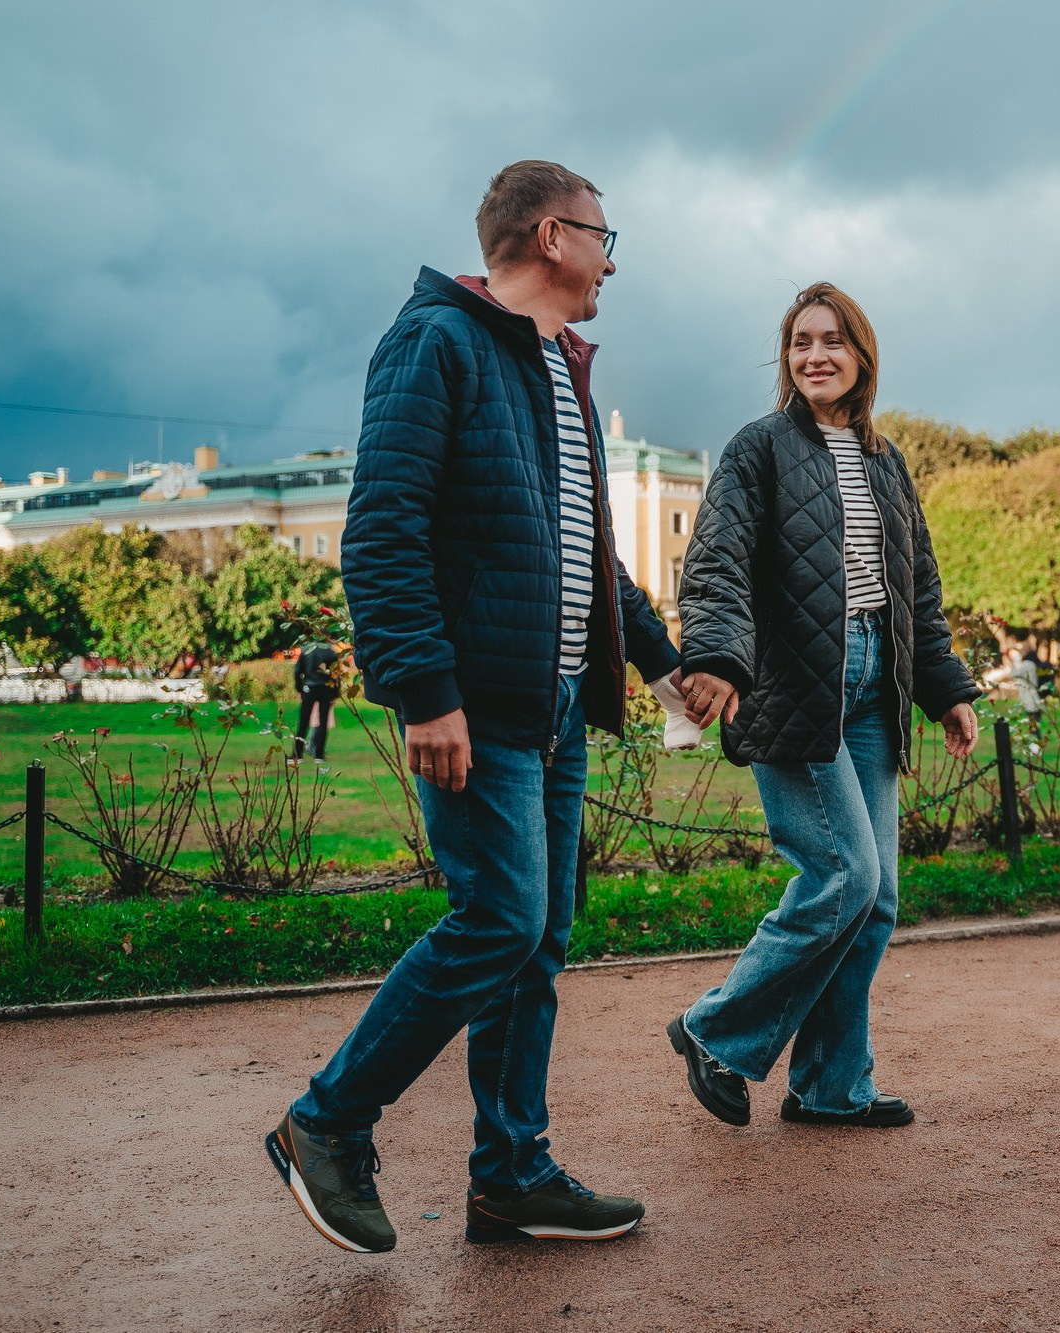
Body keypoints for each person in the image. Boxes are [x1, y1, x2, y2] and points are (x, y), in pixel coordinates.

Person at [265, 160, 679, 1253]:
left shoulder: (559, 368)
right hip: (478, 705)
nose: (613, 258)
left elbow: (586, 555)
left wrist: (663, 661)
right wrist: (425, 692)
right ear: (552, 235)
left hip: (549, 708)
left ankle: (510, 1175)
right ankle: (326, 1121)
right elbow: (383, 527)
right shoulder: (436, 341)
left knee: (536, 939)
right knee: (496, 918)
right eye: (603, 234)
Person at [666, 282, 980, 1130]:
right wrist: (722, 658)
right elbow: (717, 561)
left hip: (878, 682)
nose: (816, 354)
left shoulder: (886, 459)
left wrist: (946, 688)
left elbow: (919, 585)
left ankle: (831, 1085)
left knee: (875, 900)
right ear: (787, 357)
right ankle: (716, 1030)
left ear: (861, 354)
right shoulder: (758, 448)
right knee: (846, 873)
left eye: (833, 340)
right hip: (795, 680)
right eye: (801, 341)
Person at [290, 641, 339, 761]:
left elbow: (298, 671)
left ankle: (297, 754)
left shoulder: (306, 649)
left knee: (303, 722)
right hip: (325, 688)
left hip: (309, 688)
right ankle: (319, 754)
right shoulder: (331, 652)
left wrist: (300, 688)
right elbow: (336, 674)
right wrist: (335, 692)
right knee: (323, 723)